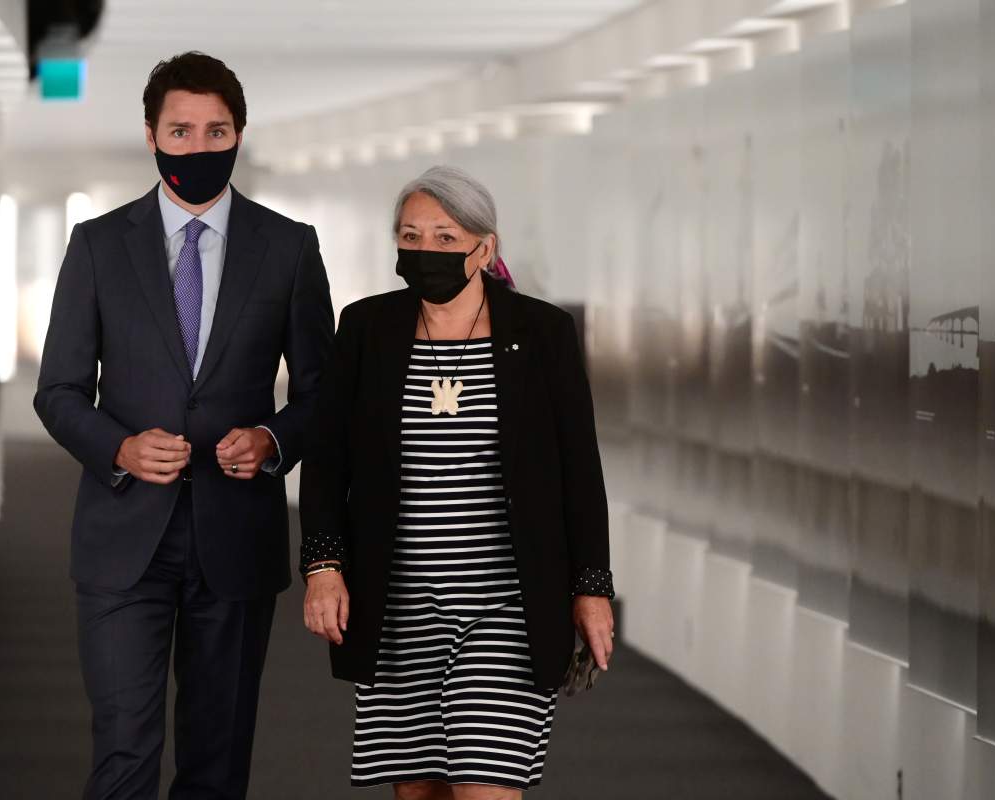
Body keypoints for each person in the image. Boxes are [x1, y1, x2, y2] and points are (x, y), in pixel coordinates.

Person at [34, 51, 334, 799]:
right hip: (121, 538)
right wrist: (120, 448)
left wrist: (272, 441)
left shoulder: (290, 247)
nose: (198, 146)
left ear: (239, 133)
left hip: (235, 537)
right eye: (180, 130)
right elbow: (60, 390)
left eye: (215, 129)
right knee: (125, 751)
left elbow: (323, 393)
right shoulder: (98, 246)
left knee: (216, 760)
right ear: (150, 136)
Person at [299, 165, 616, 799]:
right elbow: (329, 459)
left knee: (485, 787)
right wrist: (323, 566)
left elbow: (579, 468)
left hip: (506, 605)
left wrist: (591, 587)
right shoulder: (367, 329)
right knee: (419, 792)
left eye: (446, 239)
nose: (426, 252)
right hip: (398, 607)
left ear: (485, 248)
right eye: (411, 237)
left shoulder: (542, 333)